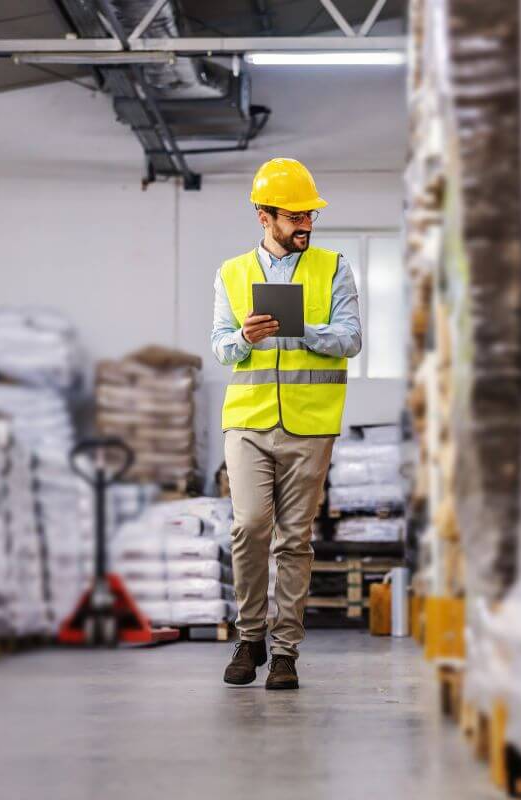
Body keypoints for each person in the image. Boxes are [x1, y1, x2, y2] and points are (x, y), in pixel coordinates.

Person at [210, 158, 362, 690]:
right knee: (249, 526)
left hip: (311, 424)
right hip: (248, 423)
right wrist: (245, 340)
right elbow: (220, 346)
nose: (305, 225)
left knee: (294, 539)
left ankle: (284, 651)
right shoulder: (231, 273)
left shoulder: (334, 266)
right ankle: (249, 635)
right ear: (264, 216)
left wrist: (304, 330)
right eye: (294, 216)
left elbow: (351, 338)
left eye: (310, 215)